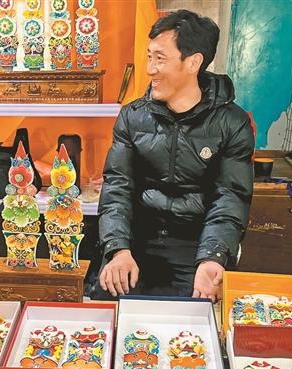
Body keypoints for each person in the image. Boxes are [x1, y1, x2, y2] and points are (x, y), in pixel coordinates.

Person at [94, 10, 254, 302]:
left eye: (160, 58)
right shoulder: (132, 117)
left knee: (196, 313)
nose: (150, 69)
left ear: (193, 62)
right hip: (137, 240)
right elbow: (117, 188)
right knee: (108, 302)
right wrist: (117, 249)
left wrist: (213, 257)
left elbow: (230, 198)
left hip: (196, 243)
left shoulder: (232, 123)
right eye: (149, 56)